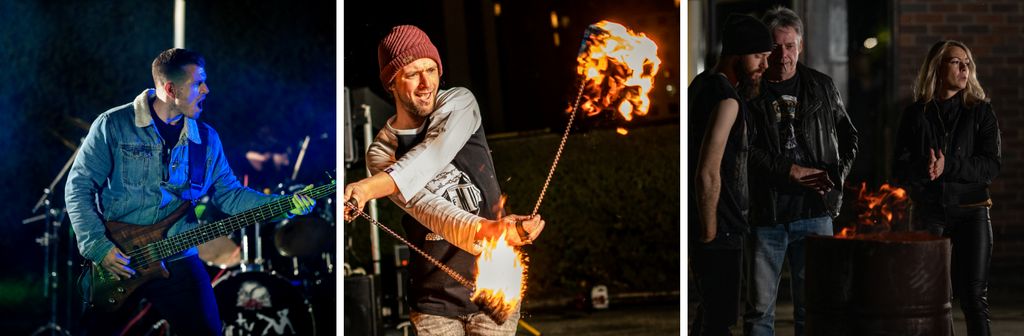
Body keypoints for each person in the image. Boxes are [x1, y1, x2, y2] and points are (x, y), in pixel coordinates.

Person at [65, 48, 316, 336]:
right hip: (119, 259)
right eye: (199, 83)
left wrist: (285, 205)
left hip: (178, 257)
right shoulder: (113, 125)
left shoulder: (206, 139)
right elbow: (78, 187)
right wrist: (99, 247)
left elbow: (230, 195)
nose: (207, 90)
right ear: (171, 89)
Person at [342, 25, 545, 335]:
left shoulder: (460, 103)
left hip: (494, 290)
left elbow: (434, 153)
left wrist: (368, 188)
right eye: (412, 74)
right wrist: (488, 230)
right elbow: (427, 208)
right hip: (433, 302)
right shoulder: (382, 150)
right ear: (391, 83)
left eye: (432, 70)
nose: (427, 84)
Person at [742, 6, 858, 336]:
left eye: (790, 46)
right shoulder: (749, 91)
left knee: (816, 309)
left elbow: (849, 135)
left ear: (800, 46)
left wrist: (836, 178)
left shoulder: (821, 85)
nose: (783, 56)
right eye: (775, 47)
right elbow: (743, 152)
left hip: (815, 212)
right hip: (767, 214)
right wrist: (788, 170)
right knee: (760, 312)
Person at [892, 40, 999, 336]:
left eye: (967, 62)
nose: (965, 67)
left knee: (975, 299)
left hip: (973, 212)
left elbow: (990, 166)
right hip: (929, 214)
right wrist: (924, 170)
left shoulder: (981, 113)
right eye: (955, 61)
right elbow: (899, 169)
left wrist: (948, 165)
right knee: (935, 299)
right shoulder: (915, 114)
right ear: (937, 68)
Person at [688, 14, 773, 335]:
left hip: (708, 223)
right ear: (737, 55)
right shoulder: (727, 100)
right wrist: (711, 232)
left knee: (711, 312)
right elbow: (707, 171)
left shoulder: (698, 86)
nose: (764, 65)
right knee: (720, 320)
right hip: (720, 228)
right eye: (758, 57)